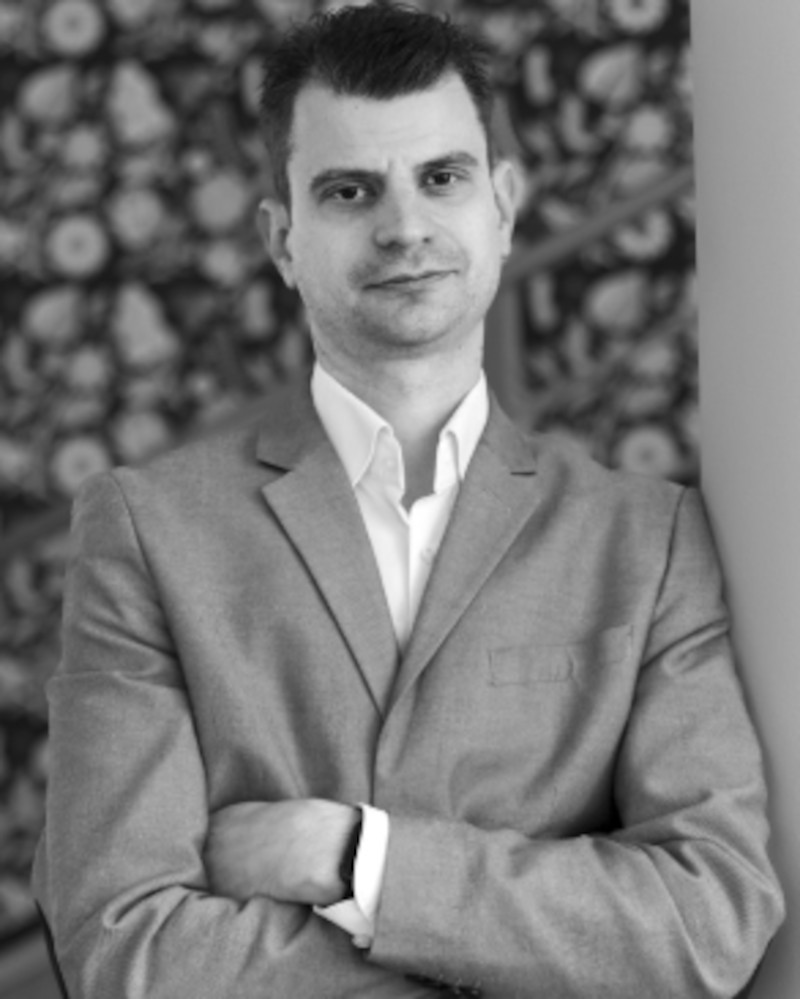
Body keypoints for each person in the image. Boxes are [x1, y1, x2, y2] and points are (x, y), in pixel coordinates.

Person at [33, 4, 784, 997]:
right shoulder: (148, 531)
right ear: (281, 239)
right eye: (349, 191)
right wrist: (543, 949)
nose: (404, 227)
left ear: (502, 207)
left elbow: (709, 919)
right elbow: (124, 950)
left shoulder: (647, 540)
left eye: (441, 178)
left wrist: (354, 857)